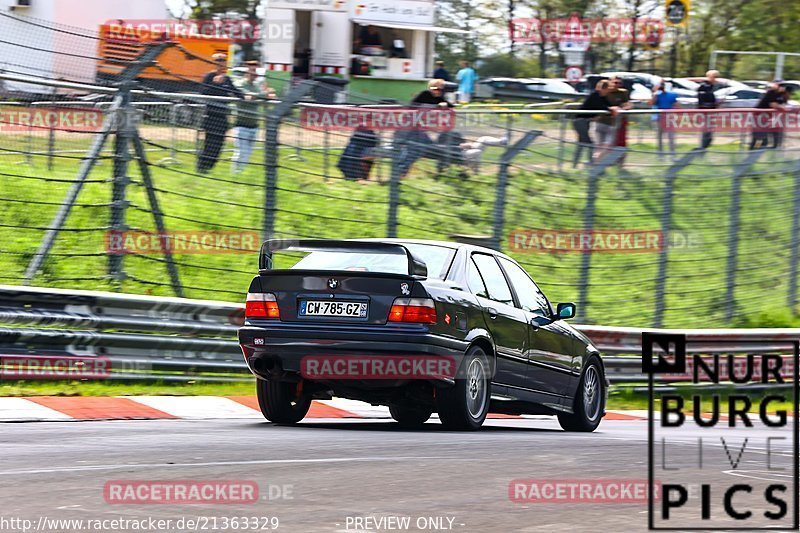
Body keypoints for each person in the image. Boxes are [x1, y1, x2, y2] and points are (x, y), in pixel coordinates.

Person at [397, 79, 454, 176]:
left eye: (441, 89)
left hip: (418, 128)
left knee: (423, 148)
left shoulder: (438, 97)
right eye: (437, 88)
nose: (440, 91)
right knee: (416, 149)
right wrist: (438, 105)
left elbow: (450, 106)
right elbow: (414, 107)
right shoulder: (425, 94)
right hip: (409, 127)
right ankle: (400, 169)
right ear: (431, 88)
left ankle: (401, 169)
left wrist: (444, 105)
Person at [198, 53, 243, 174]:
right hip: (211, 115)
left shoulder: (227, 79)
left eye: (223, 61)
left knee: (219, 144)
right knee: (209, 143)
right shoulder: (209, 76)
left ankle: (210, 167)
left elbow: (235, 91)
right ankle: (202, 167)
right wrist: (214, 84)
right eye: (218, 61)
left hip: (223, 117)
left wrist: (246, 96)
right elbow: (203, 92)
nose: (220, 63)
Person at [232, 61, 275, 174]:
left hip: (254, 125)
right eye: (252, 71)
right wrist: (264, 95)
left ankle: (241, 173)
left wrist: (268, 95)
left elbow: (261, 97)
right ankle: (235, 173)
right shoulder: (239, 84)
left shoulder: (257, 86)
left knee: (248, 153)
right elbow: (248, 96)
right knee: (241, 152)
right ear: (246, 72)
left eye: (256, 72)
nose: (254, 74)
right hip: (242, 125)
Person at [577, 79, 617, 163]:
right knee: (589, 144)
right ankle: (592, 164)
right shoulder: (595, 95)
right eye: (608, 89)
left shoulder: (602, 97)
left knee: (581, 144)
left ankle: (575, 163)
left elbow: (608, 105)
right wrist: (610, 109)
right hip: (580, 121)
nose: (608, 91)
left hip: (586, 121)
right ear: (604, 88)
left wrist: (613, 108)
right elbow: (601, 106)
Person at [750, 81, 789, 150]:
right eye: (781, 86)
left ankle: (761, 150)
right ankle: (753, 150)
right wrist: (784, 108)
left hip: (767, 117)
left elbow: (783, 104)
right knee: (758, 136)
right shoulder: (771, 93)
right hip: (758, 115)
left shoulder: (781, 95)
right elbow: (773, 105)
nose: (783, 88)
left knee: (767, 137)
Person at [650, 80, 680, 155]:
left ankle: (672, 154)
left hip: (669, 118)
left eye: (662, 85)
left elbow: (676, 105)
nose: (661, 87)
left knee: (671, 137)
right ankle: (660, 154)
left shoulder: (671, 94)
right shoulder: (656, 95)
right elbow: (651, 103)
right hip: (658, 118)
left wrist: (675, 115)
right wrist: (655, 93)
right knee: (659, 137)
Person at [607, 77, 632, 153]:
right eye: (615, 82)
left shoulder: (623, 92)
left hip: (620, 119)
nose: (617, 85)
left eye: (619, 83)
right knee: (608, 141)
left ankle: (620, 161)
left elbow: (627, 104)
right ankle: (606, 160)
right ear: (610, 83)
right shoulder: (605, 92)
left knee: (621, 141)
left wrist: (624, 108)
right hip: (607, 120)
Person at [697, 70, 718, 149]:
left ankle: (705, 146)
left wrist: (716, 104)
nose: (716, 79)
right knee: (706, 131)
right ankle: (702, 148)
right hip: (705, 112)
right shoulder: (704, 86)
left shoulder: (711, 87)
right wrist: (712, 104)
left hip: (710, 112)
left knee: (709, 132)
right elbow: (702, 101)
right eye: (714, 77)